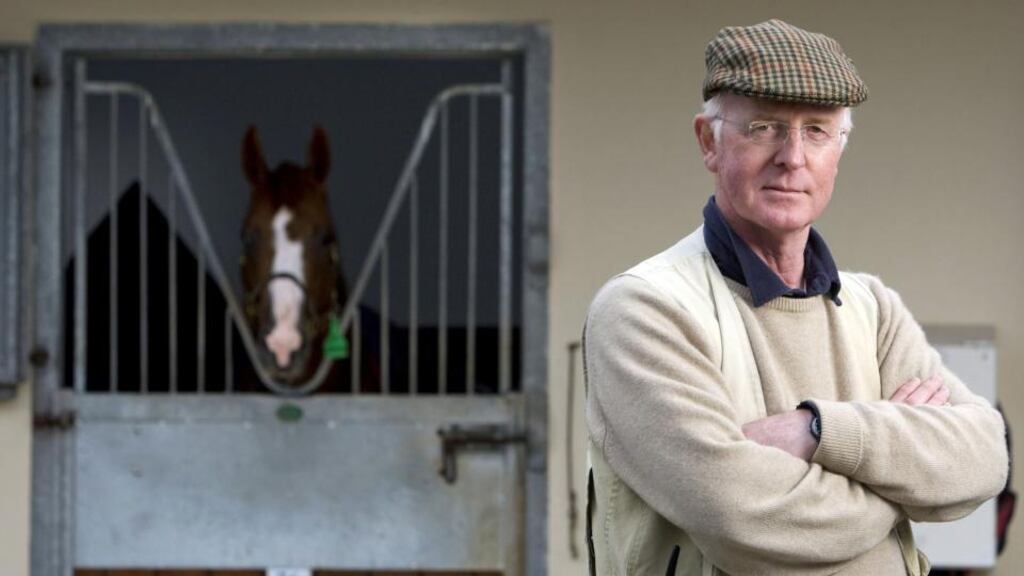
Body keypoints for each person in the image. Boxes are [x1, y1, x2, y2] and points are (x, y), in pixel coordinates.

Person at [584, 19, 1008, 576]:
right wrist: (898, 487)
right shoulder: (645, 310)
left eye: (817, 131)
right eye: (763, 127)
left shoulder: (871, 308)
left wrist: (816, 433)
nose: (792, 156)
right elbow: (738, 516)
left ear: (840, 148)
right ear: (708, 141)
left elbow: (981, 458)